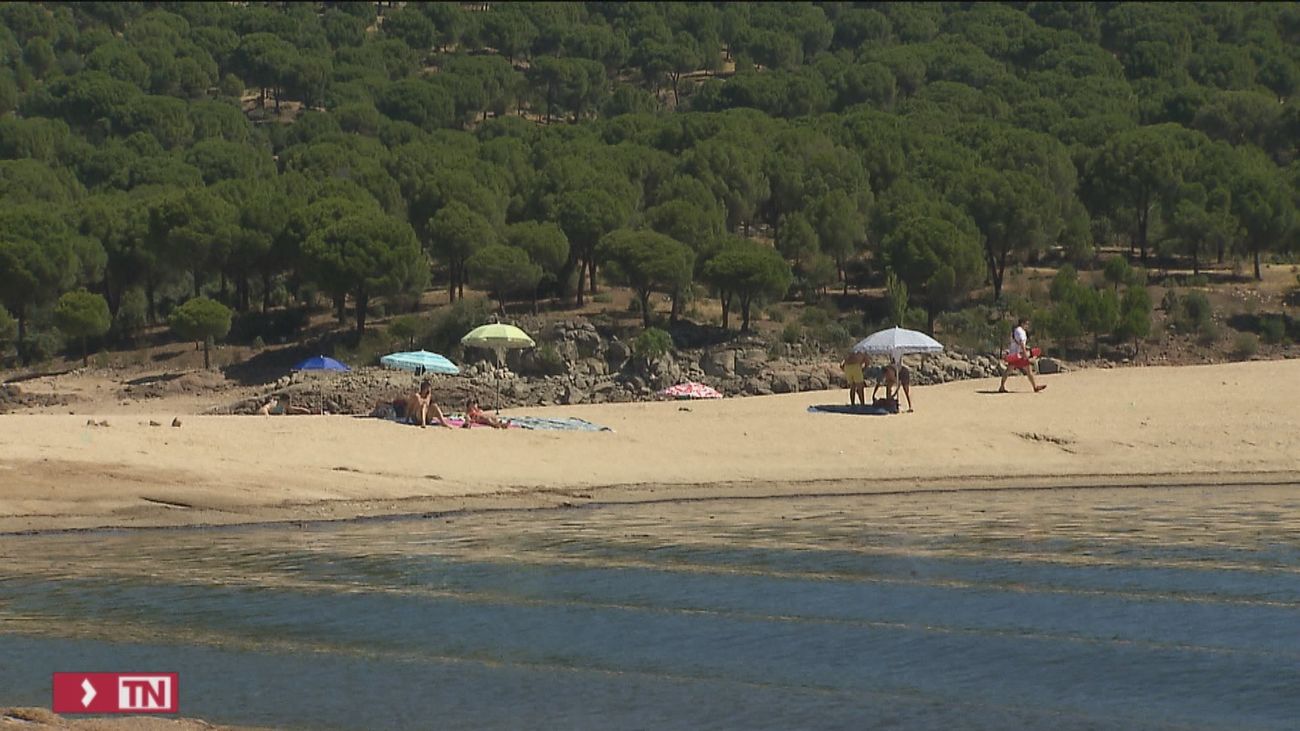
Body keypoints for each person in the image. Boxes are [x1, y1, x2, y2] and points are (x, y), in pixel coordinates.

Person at [998, 317, 1046, 393]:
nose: (1027, 325)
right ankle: (1035, 387)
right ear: (1023, 323)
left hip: (1014, 355)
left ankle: (1002, 386)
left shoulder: (1016, 330)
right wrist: (1025, 353)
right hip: (1019, 355)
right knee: (1027, 370)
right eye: (1027, 324)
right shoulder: (1021, 332)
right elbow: (1021, 343)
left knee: (1009, 370)